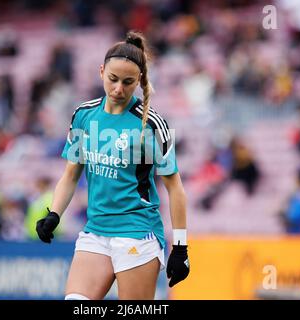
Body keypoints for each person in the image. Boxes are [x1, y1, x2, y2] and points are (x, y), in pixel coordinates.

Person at [35, 31, 189, 300]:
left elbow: (175, 188)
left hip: (137, 234)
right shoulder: (83, 115)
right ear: (101, 71)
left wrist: (181, 247)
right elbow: (71, 175)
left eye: (128, 82)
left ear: (139, 80)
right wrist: (54, 214)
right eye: (113, 79)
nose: (119, 89)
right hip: (95, 232)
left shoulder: (153, 124)